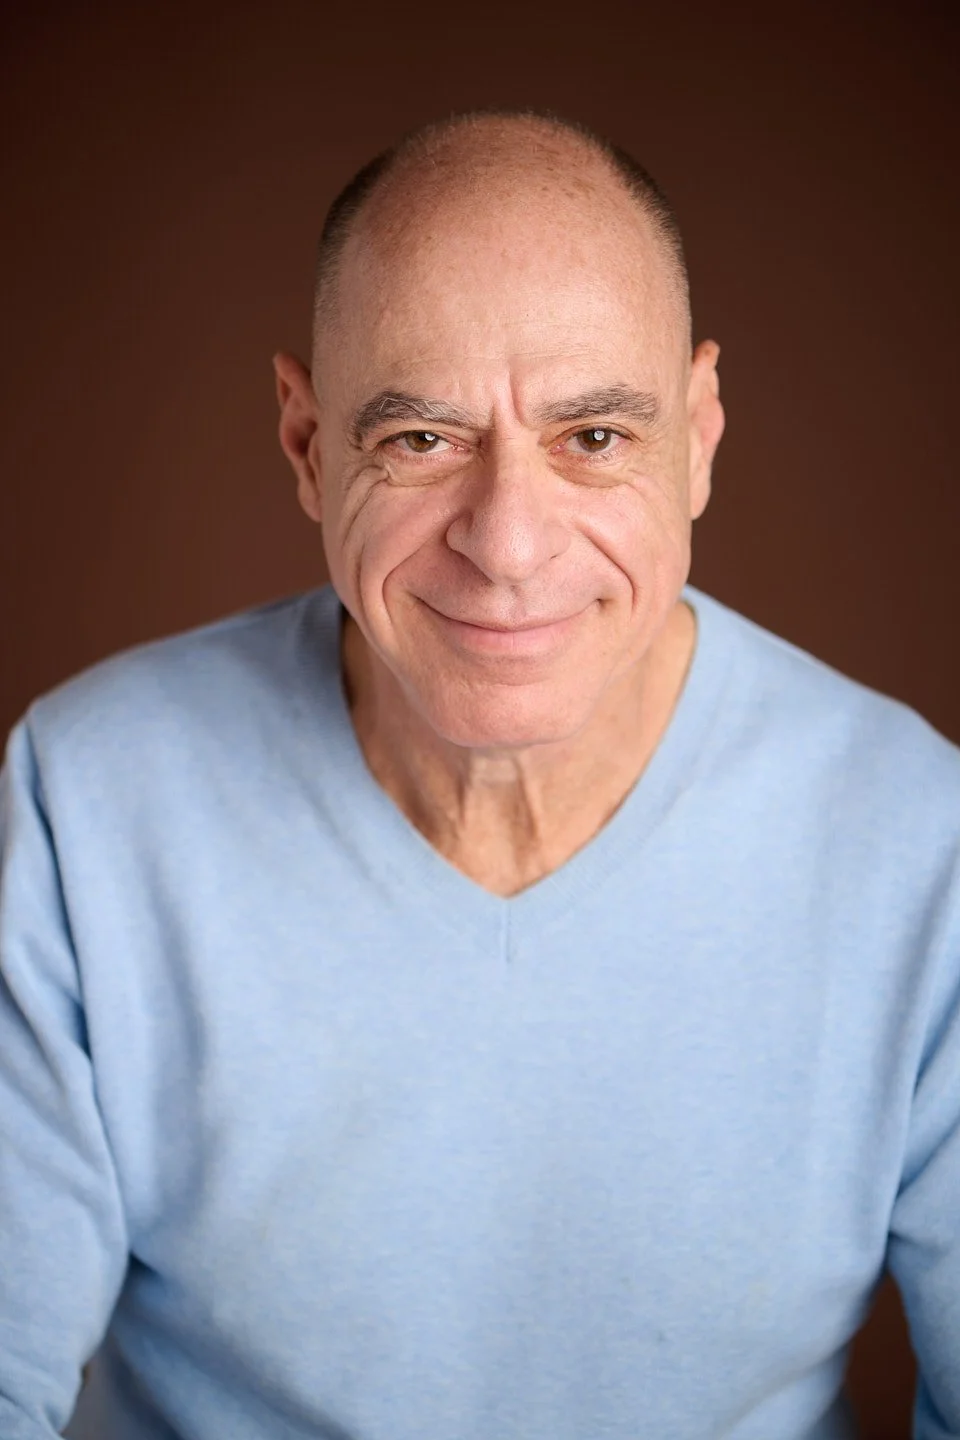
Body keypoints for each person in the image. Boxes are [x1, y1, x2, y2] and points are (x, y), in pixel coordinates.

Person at [0, 108, 957, 1440]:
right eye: (420, 440)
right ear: (306, 442)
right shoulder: (88, 803)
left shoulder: (919, 842)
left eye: (596, 437)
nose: (507, 544)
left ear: (698, 436)